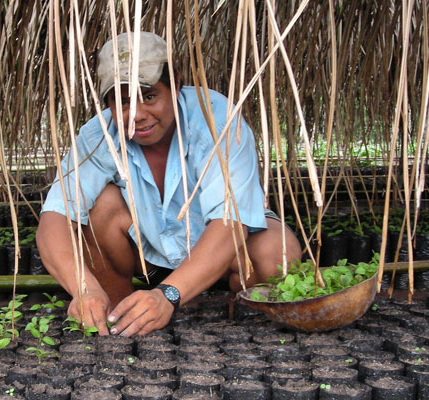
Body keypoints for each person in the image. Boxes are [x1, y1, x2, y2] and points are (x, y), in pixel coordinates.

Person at [36, 31, 301, 337]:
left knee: (278, 255)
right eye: (122, 102)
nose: (138, 115)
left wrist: (169, 295)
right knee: (101, 208)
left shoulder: (216, 118)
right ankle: (123, 319)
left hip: (225, 251)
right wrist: (84, 289)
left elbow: (231, 223)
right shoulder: (97, 137)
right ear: (106, 103)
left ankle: (237, 329)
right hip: (149, 254)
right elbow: (54, 219)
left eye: (149, 96)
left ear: (175, 84)